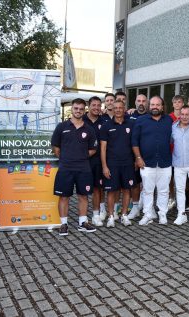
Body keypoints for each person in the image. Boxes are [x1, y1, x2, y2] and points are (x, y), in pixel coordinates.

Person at [51, 98, 97, 236]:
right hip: (66, 167)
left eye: (81, 109)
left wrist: (80, 156)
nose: (78, 111)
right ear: (72, 109)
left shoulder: (89, 129)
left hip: (83, 168)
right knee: (64, 196)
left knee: (83, 195)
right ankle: (63, 224)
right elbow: (56, 147)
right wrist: (66, 157)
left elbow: (93, 149)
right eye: (76, 108)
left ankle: (83, 222)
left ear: (84, 110)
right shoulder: (61, 127)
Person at [131, 96, 174, 226]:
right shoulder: (141, 120)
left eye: (158, 105)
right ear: (149, 106)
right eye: (153, 104)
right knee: (147, 190)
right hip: (146, 163)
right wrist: (138, 158)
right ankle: (147, 214)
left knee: (163, 190)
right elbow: (134, 141)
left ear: (162, 106)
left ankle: (162, 214)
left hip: (165, 161)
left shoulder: (169, 120)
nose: (155, 107)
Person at [99, 100, 135, 227]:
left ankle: (124, 215)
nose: (118, 110)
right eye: (116, 108)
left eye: (120, 107)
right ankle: (110, 216)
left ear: (124, 109)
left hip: (128, 164)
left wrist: (135, 160)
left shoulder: (131, 124)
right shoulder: (106, 126)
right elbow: (102, 148)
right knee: (111, 191)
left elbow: (134, 144)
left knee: (126, 190)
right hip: (112, 164)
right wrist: (104, 166)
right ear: (112, 109)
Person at [84, 96, 106, 227]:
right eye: (94, 105)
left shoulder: (103, 122)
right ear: (89, 106)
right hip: (83, 161)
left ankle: (96, 215)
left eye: (99, 105)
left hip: (98, 161)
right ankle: (83, 215)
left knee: (98, 189)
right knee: (84, 190)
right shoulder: (81, 120)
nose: (97, 108)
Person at [128, 94, 148, 220]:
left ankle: (147, 207)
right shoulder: (129, 115)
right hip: (133, 155)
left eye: (144, 101)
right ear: (135, 102)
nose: (141, 103)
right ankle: (135, 207)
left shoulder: (152, 115)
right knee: (134, 183)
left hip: (148, 155)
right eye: (139, 101)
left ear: (147, 103)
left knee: (147, 184)